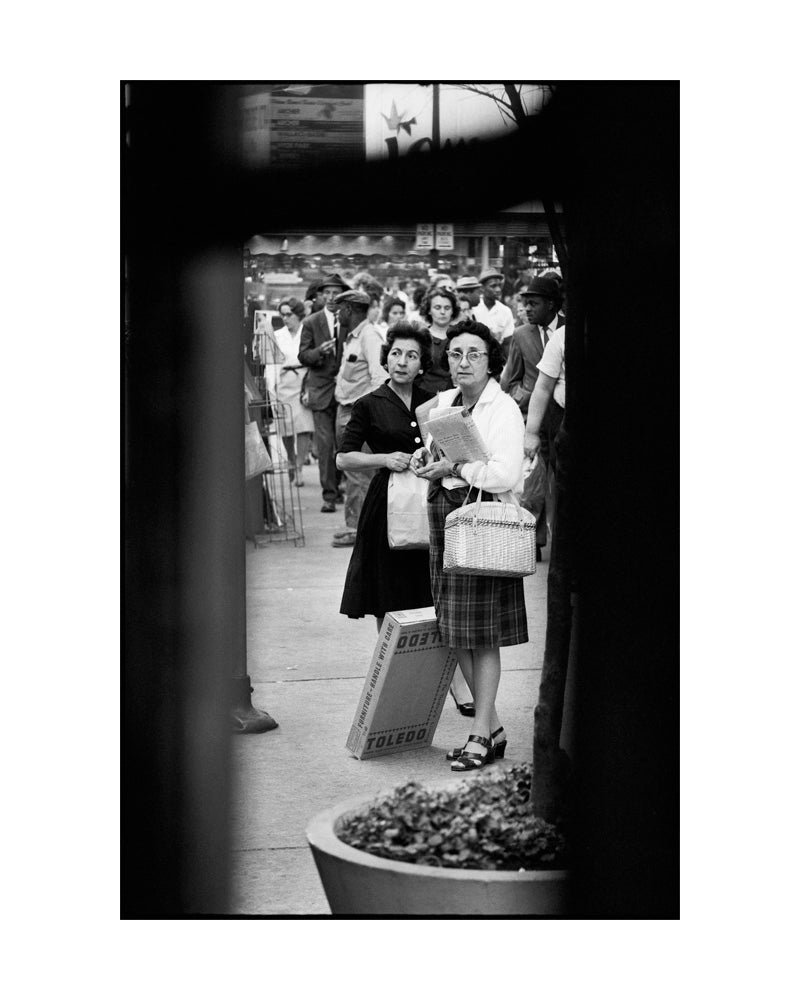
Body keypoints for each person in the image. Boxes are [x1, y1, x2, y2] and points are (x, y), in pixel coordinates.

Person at [411, 318, 527, 771]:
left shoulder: (504, 409)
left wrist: (455, 471)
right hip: (446, 517)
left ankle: (479, 733)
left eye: (473, 354)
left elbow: (504, 475)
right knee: (454, 628)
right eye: (456, 353)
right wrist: (429, 460)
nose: (463, 362)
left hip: (483, 525)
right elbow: (439, 453)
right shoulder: (444, 402)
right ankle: (492, 727)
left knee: (482, 635)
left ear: (490, 360)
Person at [338, 323, 434, 627]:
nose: (402, 361)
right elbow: (343, 458)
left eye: (411, 355)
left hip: (429, 498)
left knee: (428, 589)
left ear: (422, 364)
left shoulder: (434, 401)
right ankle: (391, 665)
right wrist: (385, 459)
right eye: (395, 353)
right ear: (386, 358)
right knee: (387, 593)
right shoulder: (368, 404)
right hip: (387, 504)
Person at [500, 276, 565, 556]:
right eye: (525, 303)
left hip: (562, 417)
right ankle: (533, 542)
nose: (527, 308)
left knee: (558, 478)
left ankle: (560, 537)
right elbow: (509, 381)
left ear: (551, 305)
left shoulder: (567, 331)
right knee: (533, 479)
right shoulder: (521, 335)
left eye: (533, 303)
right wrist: (524, 395)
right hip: (533, 418)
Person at [332, 289, 387, 547]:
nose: (336, 313)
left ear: (350, 310)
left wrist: (367, 413)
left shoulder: (369, 336)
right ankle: (353, 524)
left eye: (340, 308)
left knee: (360, 472)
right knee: (352, 473)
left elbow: (379, 377)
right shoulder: (352, 337)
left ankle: (360, 530)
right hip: (344, 410)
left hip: (357, 413)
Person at [298, 273, 351, 512]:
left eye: (336, 293)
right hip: (320, 390)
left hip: (345, 390)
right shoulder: (311, 322)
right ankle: (328, 494)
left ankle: (338, 485)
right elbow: (303, 356)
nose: (331, 298)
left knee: (344, 442)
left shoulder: (350, 320)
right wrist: (319, 351)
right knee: (326, 444)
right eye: (327, 293)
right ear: (320, 295)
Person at [268, 297, 315, 485]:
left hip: (304, 380)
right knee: (286, 427)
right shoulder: (277, 335)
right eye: (283, 315)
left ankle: (299, 467)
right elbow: (271, 364)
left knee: (304, 426)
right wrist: (272, 388)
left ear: (299, 314)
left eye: (290, 314)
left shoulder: (308, 333)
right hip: (284, 380)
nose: (286, 318)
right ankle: (290, 458)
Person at [417, 285, 460, 395]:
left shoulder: (459, 336)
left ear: (453, 311)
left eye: (447, 308)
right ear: (429, 310)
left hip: (454, 397)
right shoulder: (420, 336)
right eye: (437, 307)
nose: (442, 312)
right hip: (424, 396)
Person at [472, 267, 515, 363]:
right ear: (482, 288)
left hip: (497, 361)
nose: (498, 289)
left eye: (500, 285)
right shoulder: (474, 309)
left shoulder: (505, 311)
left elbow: (507, 344)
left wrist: (508, 367)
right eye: (493, 286)